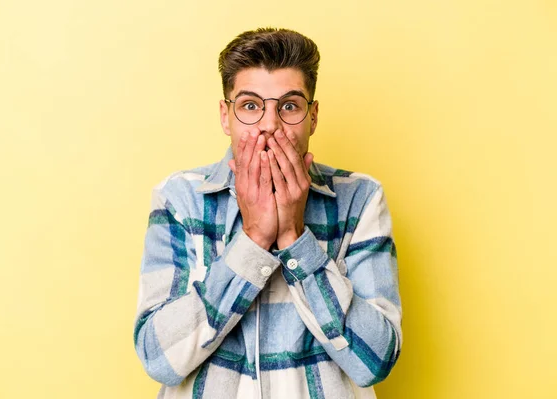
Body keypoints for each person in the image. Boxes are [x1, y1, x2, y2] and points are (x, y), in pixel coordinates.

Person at [133, 27, 403, 399]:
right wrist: (254, 239)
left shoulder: (360, 198)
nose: (269, 125)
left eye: (289, 106)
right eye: (250, 105)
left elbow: (375, 361)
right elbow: (158, 359)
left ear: (313, 116)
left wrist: (294, 237)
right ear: (226, 116)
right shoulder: (180, 198)